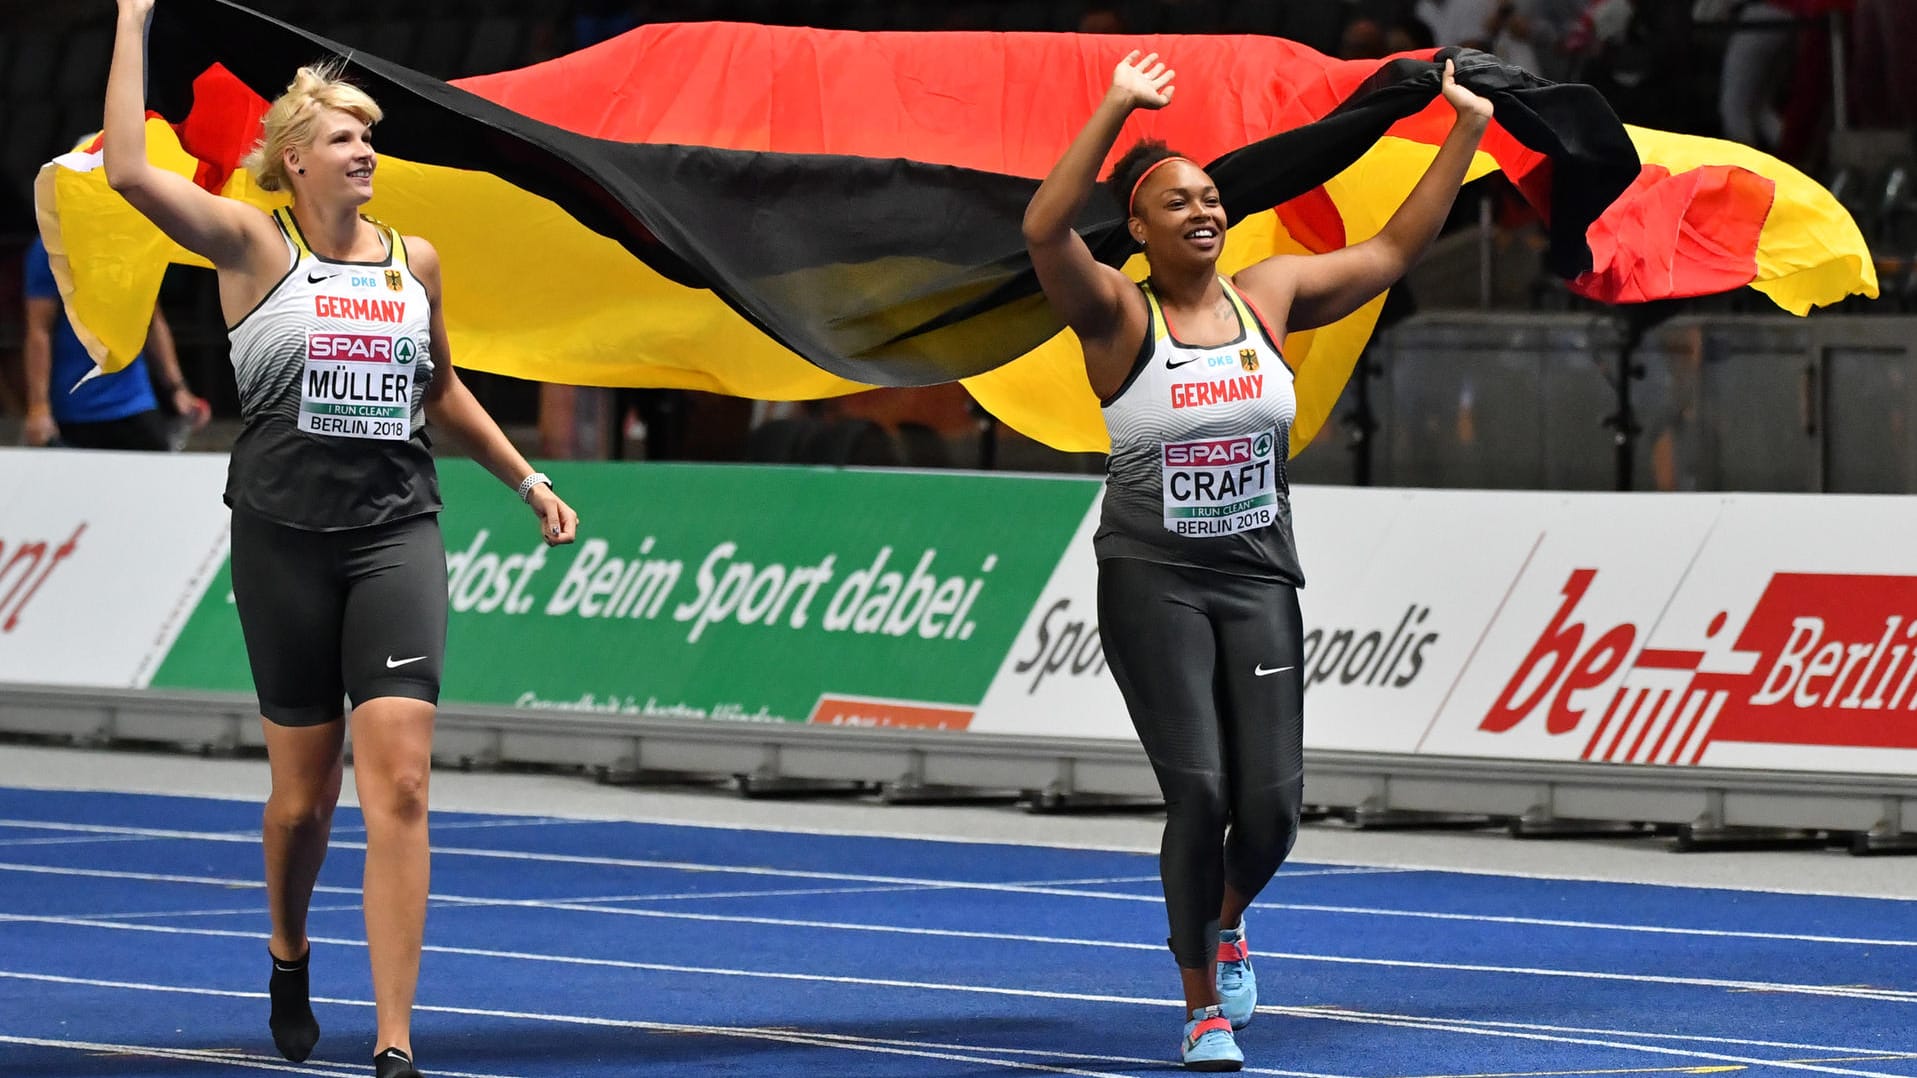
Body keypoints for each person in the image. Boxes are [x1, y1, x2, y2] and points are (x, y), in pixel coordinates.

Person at [100, 3, 581, 1076]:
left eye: (370, 134)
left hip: (394, 533)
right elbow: (129, 173)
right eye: (344, 136)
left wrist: (525, 477)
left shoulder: (417, 260)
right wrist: (132, 21)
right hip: (282, 539)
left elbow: (442, 388)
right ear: (292, 161)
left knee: (400, 784)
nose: (365, 149)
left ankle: (397, 1041)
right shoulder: (247, 244)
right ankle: (286, 943)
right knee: (299, 804)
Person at [1021, 51, 1489, 1070]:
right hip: (1153, 579)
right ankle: (1200, 1008)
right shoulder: (1115, 316)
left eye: (1214, 196)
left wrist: (1467, 128)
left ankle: (1225, 919)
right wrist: (1113, 109)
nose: (1204, 210)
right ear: (1138, 229)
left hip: (1258, 579)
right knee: (1200, 793)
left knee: (1271, 810)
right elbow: (1043, 228)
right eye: (1177, 200)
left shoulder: (1268, 296)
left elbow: (1394, 249)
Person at [22, 234, 207, 449]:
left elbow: (152, 320)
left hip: (134, 401)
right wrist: (39, 407)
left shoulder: (135, 241)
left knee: (157, 473)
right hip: (73, 406)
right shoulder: (51, 244)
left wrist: (177, 389)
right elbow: (39, 330)